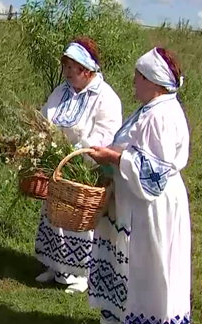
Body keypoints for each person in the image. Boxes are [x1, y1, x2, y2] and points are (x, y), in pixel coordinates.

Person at [87, 48, 191, 324]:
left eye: (138, 76)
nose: (133, 81)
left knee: (151, 267)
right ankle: (126, 320)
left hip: (154, 206)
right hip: (136, 200)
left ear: (153, 81)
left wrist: (114, 157)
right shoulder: (151, 108)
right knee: (131, 263)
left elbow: (155, 170)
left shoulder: (162, 115)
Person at [34, 37, 123, 294]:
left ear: (87, 70)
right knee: (54, 214)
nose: (67, 74)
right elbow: (46, 117)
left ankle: (81, 272)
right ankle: (55, 265)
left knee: (79, 219)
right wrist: (46, 144)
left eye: (73, 69)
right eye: (65, 68)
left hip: (85, 169)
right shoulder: (61, 91)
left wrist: (75, 154)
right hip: (58, 165)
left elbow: (106, 135)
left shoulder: (106, 98)